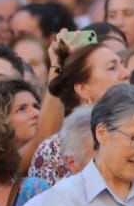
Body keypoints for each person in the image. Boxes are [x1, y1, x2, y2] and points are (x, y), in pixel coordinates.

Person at [31, 43, 128, 183]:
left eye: (123, 65)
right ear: (83, 88)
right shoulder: (55, 149)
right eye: (112, 68)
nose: (126, 73)